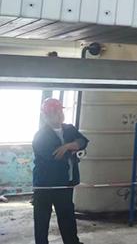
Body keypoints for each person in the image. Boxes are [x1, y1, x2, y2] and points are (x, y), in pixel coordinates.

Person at [32, 97, 89, 244]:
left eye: (59, 111)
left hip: (65, 184)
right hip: (45, 185)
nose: (58, 114)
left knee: (67, 216)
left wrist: (67, 146)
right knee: (42, 220)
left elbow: (83, 141)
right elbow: (55, 156)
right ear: (46, 115)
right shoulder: (41, 136)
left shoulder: (69, 129)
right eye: (54, 112)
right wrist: (73, 147)